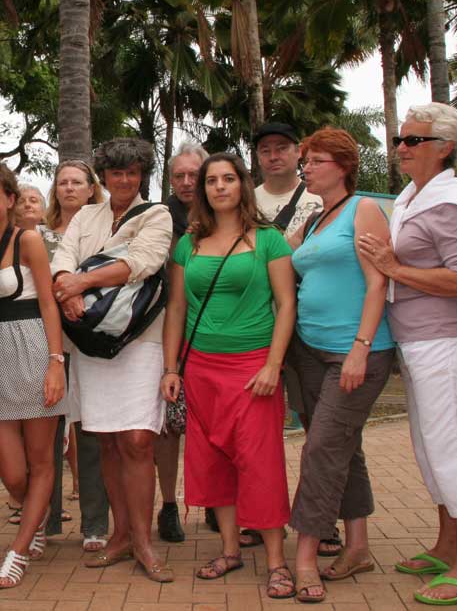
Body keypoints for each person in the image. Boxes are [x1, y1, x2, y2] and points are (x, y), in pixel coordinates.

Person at [359, 102, 457, 606]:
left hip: (444, 340)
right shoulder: (414, 196)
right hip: (417, 340)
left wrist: (395, 268)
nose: (400, 147)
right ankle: (447, 545)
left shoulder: (449, 201)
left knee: (451, 448)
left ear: (444, 148)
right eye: (400, 138)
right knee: (428, 446)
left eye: (412, 140)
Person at [160, 153, 296, 599]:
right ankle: (230, 549)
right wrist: (171, 368)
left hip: (252, 368)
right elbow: (176, 308)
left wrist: (273, 364)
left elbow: (286, 305)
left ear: (242, 185)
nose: (219, 187)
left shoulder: (269, 240)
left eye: (228, 179)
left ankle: (276, 561)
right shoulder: (189, 243)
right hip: (200, 368)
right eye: (211, 181)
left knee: (260, 462)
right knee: (211, 459)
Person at [52, 138, 174, 582]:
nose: (124, 180)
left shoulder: (157, 214)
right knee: (105, 440)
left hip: (140, 340)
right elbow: (62, 259)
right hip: (91, 340)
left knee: (137, 441)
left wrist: (80, 283)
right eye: (116, 172)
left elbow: (144, 261)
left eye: (132, 172)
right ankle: (120, 536)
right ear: (104, 176)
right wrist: (67, 288)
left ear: (142, 175)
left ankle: (144, 542)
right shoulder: (86, 216)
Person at [283, 128, 395, 604]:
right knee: (344, 447)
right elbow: (279, 251)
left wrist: (360, 347)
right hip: (309, 349)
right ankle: (358, 546)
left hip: (355, 351)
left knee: (321, 449)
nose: (306, 168)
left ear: (344, 166)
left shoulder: (362, 209)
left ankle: (305, 558)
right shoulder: (315, 219)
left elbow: (378, 282)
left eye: (316, 161)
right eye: (305, 161)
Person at [0, 160, 66, 588]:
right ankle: (35, 517)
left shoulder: (27, 239)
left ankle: (19, 551)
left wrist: (55, 362)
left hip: (31, 349)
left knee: (41, 461)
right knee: (12, 473)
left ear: (10, 200)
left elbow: (48, 302)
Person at [253, 122, 337, 554]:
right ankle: (256, 517)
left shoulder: (320, 200)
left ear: (297, 153)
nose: (274, 156)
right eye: (265, 149)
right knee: (253, 433)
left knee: (319, 428)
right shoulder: (246, 201)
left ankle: (321, 521)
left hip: (307, 328)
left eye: (282, 148)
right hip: (254, 329)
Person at [41, 160, 107, 552]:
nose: (68, 188)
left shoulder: (106, 231)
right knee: (46, 436)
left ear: (91, 188)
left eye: (77, 182)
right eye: (62, 182)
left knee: (91, 432)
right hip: (48, 344)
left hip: (91, 341)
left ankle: (95, 524)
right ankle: (44, 521)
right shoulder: (39, 235)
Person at [155, 142, 208, 544]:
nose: (187, 182)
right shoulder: (158, 218)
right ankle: (169, 505)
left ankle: (215, 500)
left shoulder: (225, 213)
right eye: (179, 175)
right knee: (168, 425)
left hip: (216, 333)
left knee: (214, 423)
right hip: (168, 331)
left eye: (194, 174)